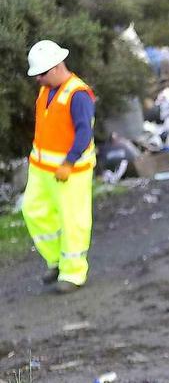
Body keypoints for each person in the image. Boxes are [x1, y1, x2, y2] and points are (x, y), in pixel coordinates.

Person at [21, 40, 96, 293]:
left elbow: (84, 133)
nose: (37, 79)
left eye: (41, 74)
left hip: (70, 172)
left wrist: (68, 162)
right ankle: (56, 261)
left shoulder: (78, 94)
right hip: (41, 168)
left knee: (73, 220)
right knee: (34, 211)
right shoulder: (47, 89)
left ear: (55, 67)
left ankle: (74, 273)